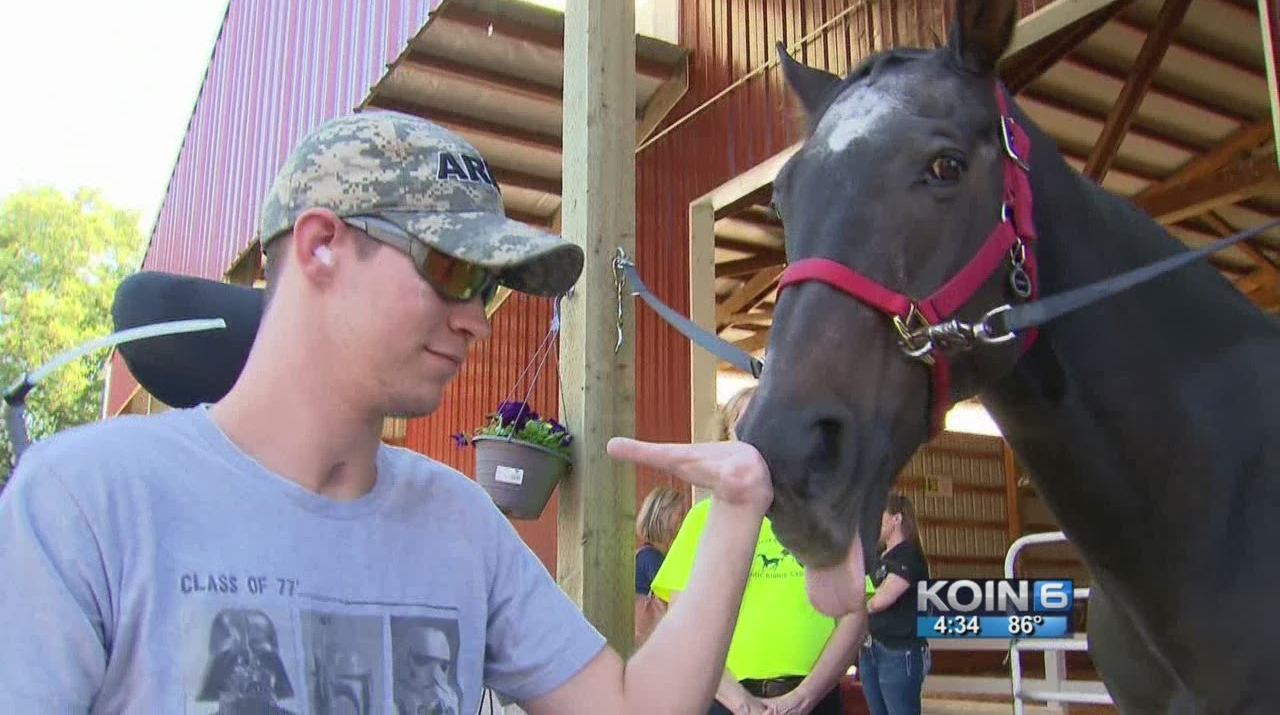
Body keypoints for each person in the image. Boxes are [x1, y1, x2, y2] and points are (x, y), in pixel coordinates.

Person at [0, 110, 775, 715]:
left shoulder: (460, 523)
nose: (477, 318)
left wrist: (737, 508)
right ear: (320, 246)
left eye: (489, 288)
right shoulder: (86, 502)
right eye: (451, 269)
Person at [652, 387, 866, 715]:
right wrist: (739, 702)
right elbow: (684, 622)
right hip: (724, 701)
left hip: (815, 701)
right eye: (746, 420)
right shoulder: (702, 521)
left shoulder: (829, 516)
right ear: (728, 438)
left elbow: (854, 613)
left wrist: (805, 696)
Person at [859, 492, 932, 715]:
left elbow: (883, 599)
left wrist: (853, 609)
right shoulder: (879, 558)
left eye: (880, 514)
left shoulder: (908, 556)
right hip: (872, 648)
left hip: (899, 651)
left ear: (897, 518)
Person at [634, 485, 687, 647]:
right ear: (664, 515)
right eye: (680, 514)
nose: (683, 521)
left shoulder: (648, 556)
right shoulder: (651, 558)